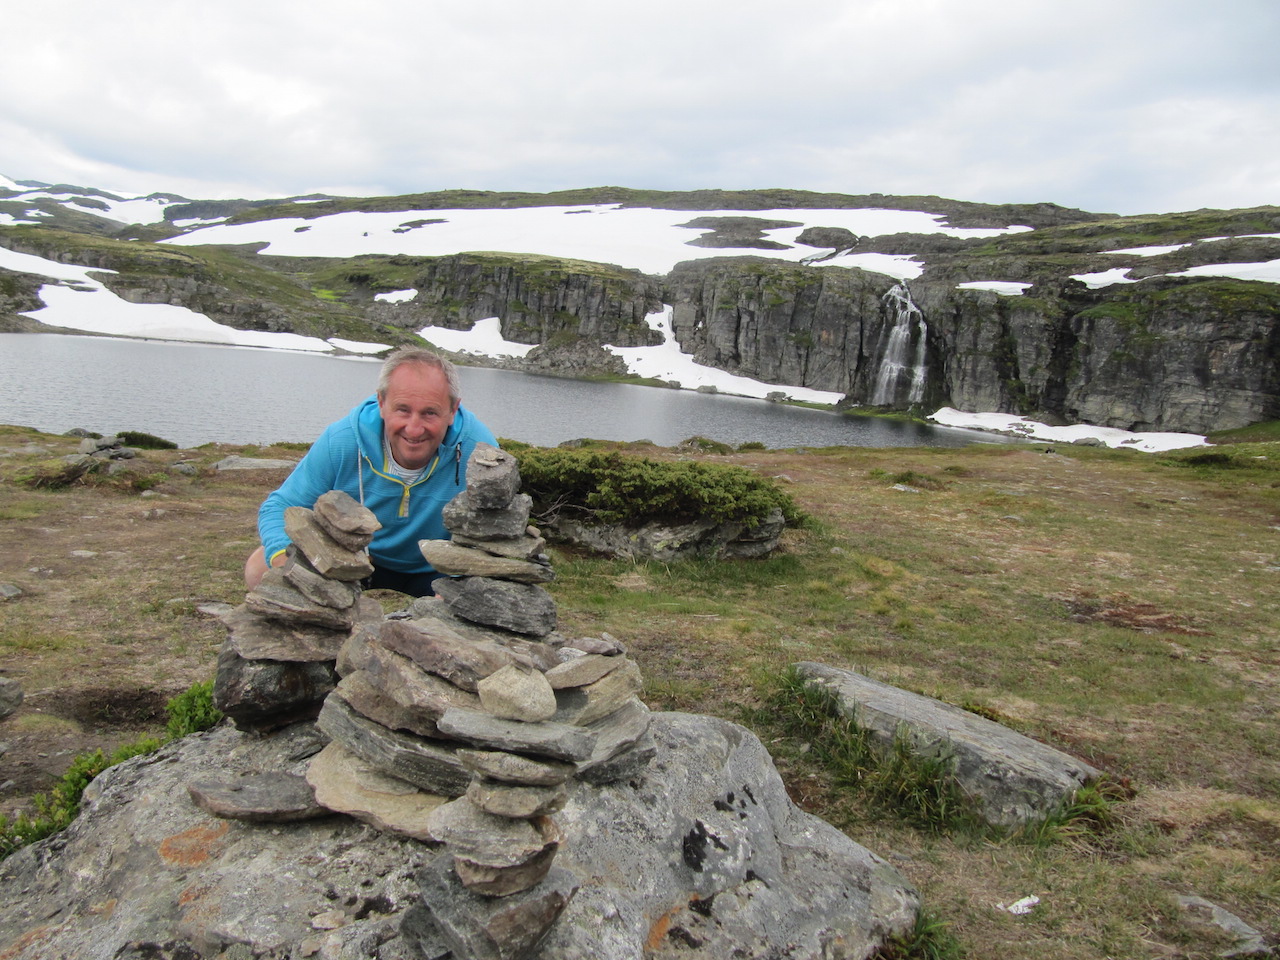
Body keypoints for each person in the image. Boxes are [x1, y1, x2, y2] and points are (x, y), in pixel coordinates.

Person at [244, 346, 497, 596]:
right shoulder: (343, 440)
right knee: (259, 567)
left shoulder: (479, 450)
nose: (414, 429)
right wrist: (284, 561)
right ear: (381, 402)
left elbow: (495, 532)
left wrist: (459, 583)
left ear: (453, 410)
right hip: (355, 561)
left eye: (429, 413)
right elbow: (281, 505)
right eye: (403, 410)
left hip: (441, 571)